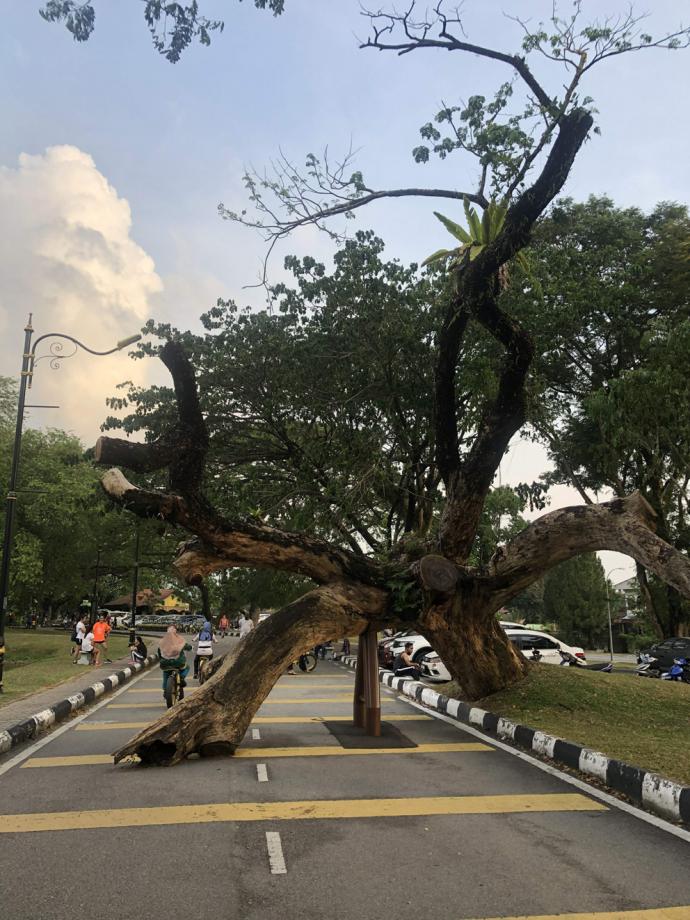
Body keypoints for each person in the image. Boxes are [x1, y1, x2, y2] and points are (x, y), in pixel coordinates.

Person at [158, 625, 191, 698]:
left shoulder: (163, 640)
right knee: (187, 667)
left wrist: (162, 659)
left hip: (165, 663)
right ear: (175, 631)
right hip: (178, 663)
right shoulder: (179, 640)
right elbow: (188, 647)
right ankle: (182, 677)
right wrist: (191, 648)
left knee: (165, 673)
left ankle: (165, 690)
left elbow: (159, 652)